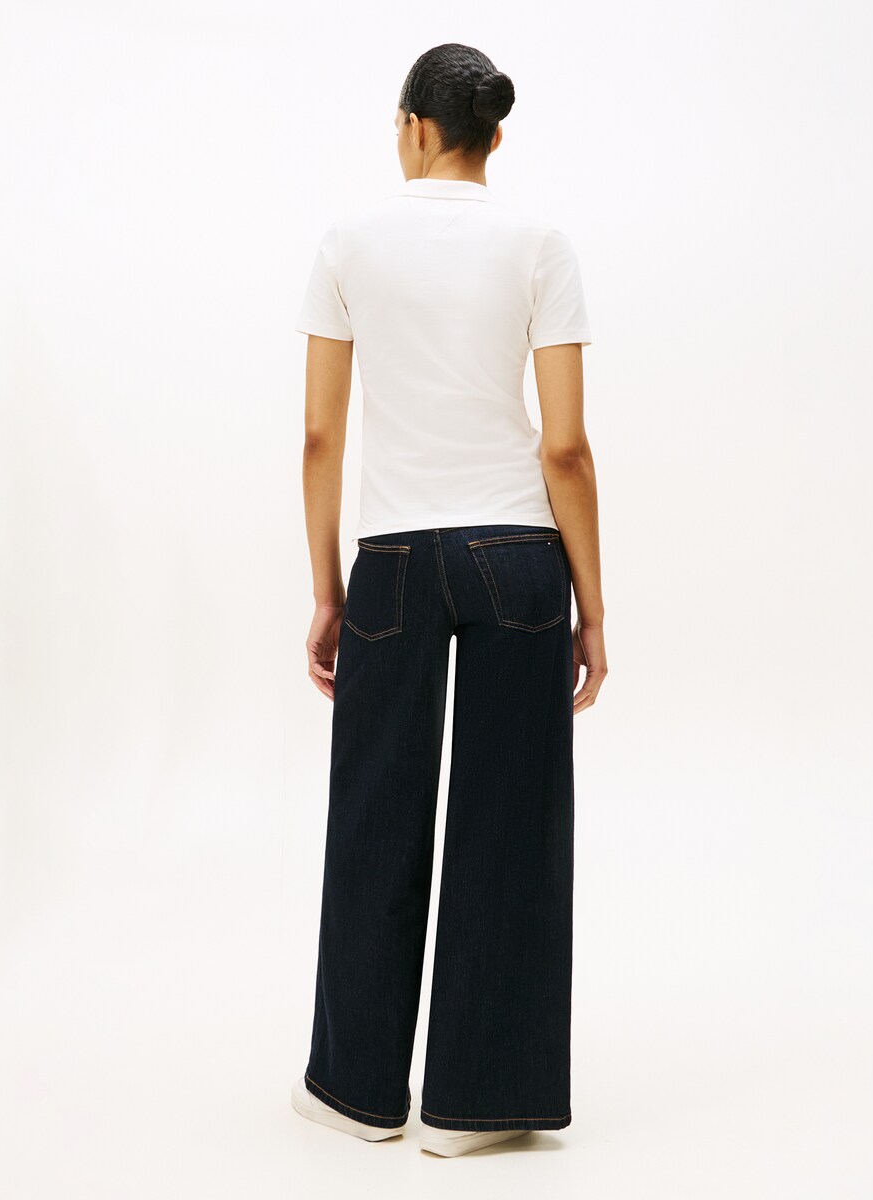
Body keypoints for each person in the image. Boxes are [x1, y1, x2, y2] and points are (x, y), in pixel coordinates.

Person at [290, 42, 607, 1158]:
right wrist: (593, 607)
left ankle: (356, 1091)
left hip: (394, 556)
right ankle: (481, 1105)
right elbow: (564, 447)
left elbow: (320, 433)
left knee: (375, 815)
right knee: (511, 822)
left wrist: (328, 588)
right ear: (493, 136)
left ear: (414, 126)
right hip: (519, 554)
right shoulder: (541, 245)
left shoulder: (347, 242)